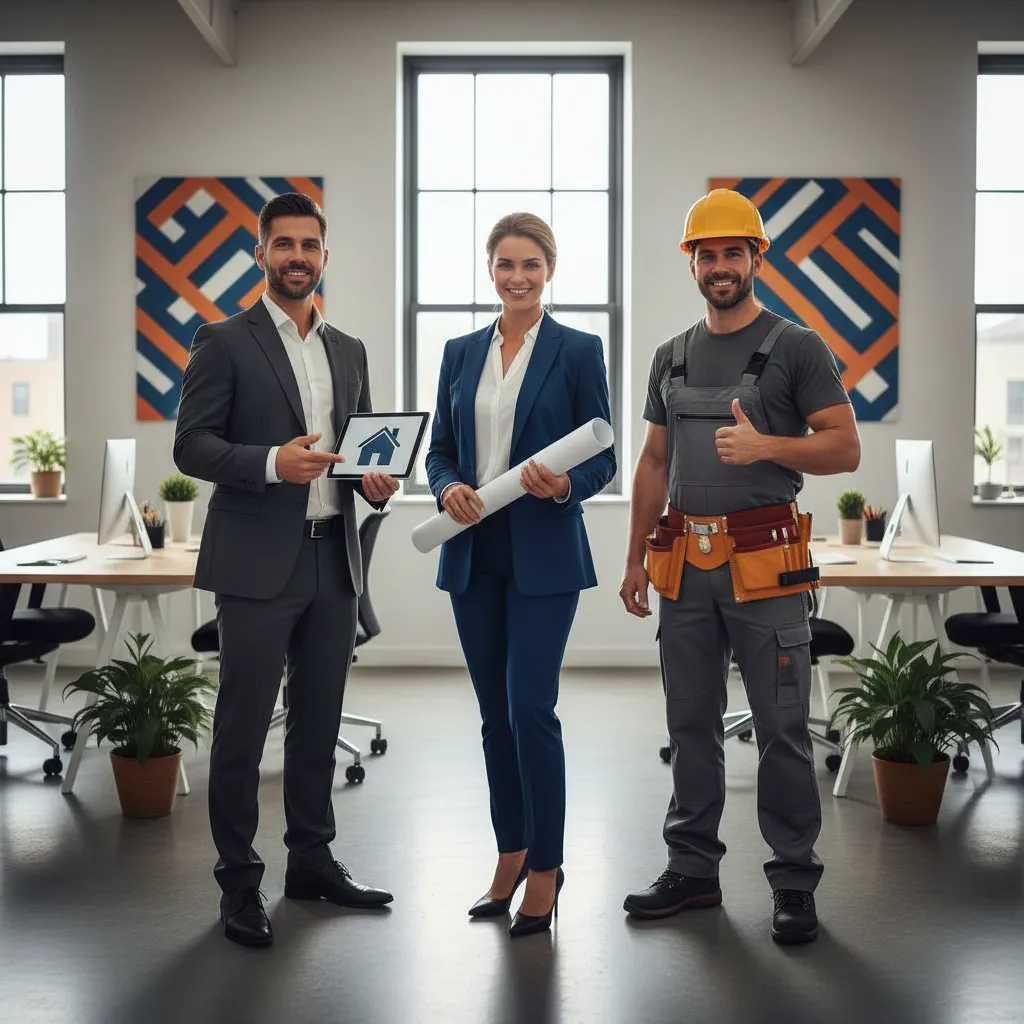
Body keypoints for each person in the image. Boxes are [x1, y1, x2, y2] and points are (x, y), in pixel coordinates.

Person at [619, 188, 861, 944]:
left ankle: (793, 881)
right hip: (684, 567)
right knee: (690, 723)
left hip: (767, 564)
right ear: (691, 263)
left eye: (733, 252)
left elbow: (843, 447)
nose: (719, 266)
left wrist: (768, 448)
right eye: (706, 254)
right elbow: (654, 460)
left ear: (757, 257)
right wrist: (634, 557)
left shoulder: (797, 347)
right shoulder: (673, 354)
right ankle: (691, 869)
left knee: (782, 728)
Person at [173, 192, 400, 948]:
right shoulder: (223, 340)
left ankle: (312, 861)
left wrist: (371, 479)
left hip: (332, 557)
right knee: (241, 730)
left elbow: (353, 453)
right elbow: (192, 447)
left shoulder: (349, 349)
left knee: (318, 721)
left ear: (324, 257)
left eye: (310, 245)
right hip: (256, 565)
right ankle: (239, 883)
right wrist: (273, 462)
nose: (298, 257)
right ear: (262, 254)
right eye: (284, 245)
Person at [426, 213, 616, 938]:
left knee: (529, 709)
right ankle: (510, 853)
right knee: (490, 718)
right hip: (473, 551)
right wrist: (446, 488)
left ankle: (547, 869)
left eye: (530, 265)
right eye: (505, 264)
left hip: (544, 553)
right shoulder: (459, 351)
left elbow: (602, 454)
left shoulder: (577, 350)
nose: (517, 277)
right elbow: (441, 449)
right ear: (490, 270)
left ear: (550, 269)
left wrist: (564, 488)